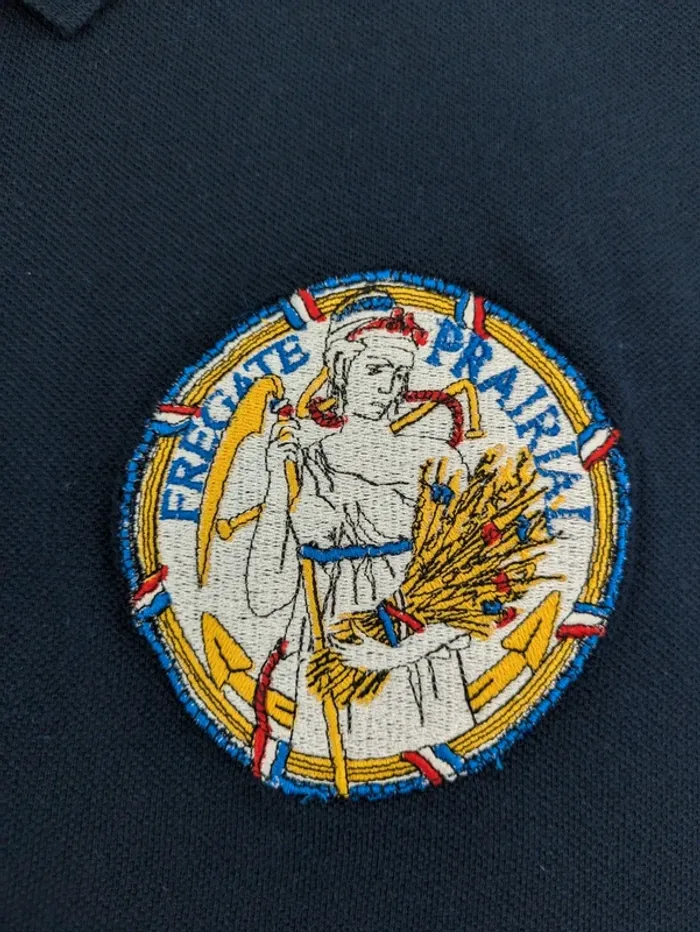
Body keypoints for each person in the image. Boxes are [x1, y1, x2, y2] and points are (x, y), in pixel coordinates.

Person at [246, 292, 475, 759]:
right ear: (340, 367)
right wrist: (276, 487)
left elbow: (476, 596)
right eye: (375, 369)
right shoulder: (301, 460)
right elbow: (264, 594)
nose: (390, 388)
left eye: (400, 374)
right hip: (326, 663)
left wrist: (393, 655)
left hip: (417, 664)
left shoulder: (436, 461)